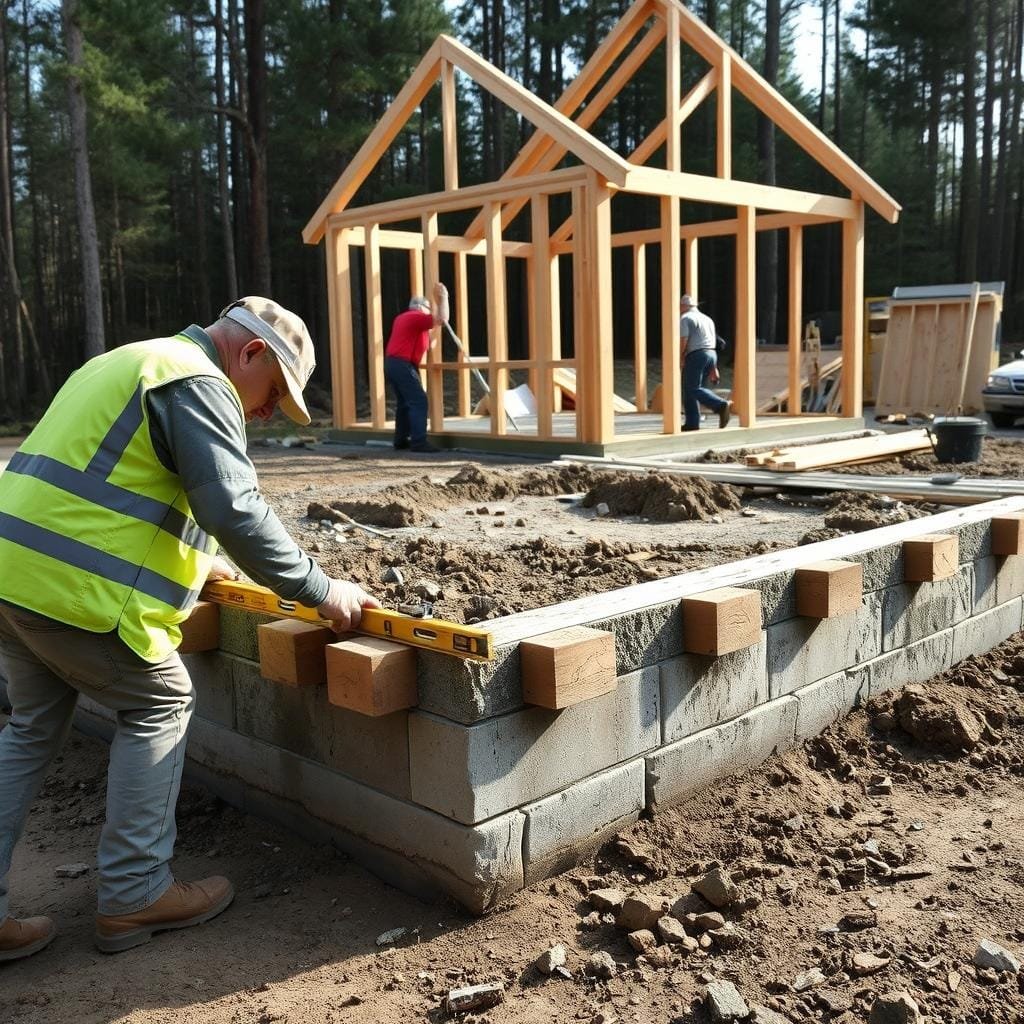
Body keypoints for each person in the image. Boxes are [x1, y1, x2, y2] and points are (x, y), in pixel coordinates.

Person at [0, 297, 379, 960]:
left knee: (31, 729)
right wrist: (321, 591)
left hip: (15, 577)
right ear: (251, 352)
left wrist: (191, 568)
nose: (264, 413)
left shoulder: (131, 360)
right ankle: (135, 893)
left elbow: (123, 486)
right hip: (72, 591)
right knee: (160, 700)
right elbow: (232, 507)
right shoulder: (197, 379)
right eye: (272, 395)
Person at [384, 280, 449, 452]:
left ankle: (400, 440)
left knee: (405, 402)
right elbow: (441, 319)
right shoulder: (414, 317)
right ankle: (419, 442)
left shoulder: (405, 320)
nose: (430, 313)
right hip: (402, 364)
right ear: (422, 308)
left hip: (395, 364)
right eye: (429, 309)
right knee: (418, 400)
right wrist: (443, 298)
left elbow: (427, 341)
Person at [679, 294, 732, 432]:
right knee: (695, 390)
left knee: (692, 388)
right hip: (711, 354)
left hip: (696, 354)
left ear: (684, 306)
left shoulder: (685, 318)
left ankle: (720, 405)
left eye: (679, 306)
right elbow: (713, 341)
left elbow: (684, 339)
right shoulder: (707, 319)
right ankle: (692, 423)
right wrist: (714, 367)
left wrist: (680, 356)